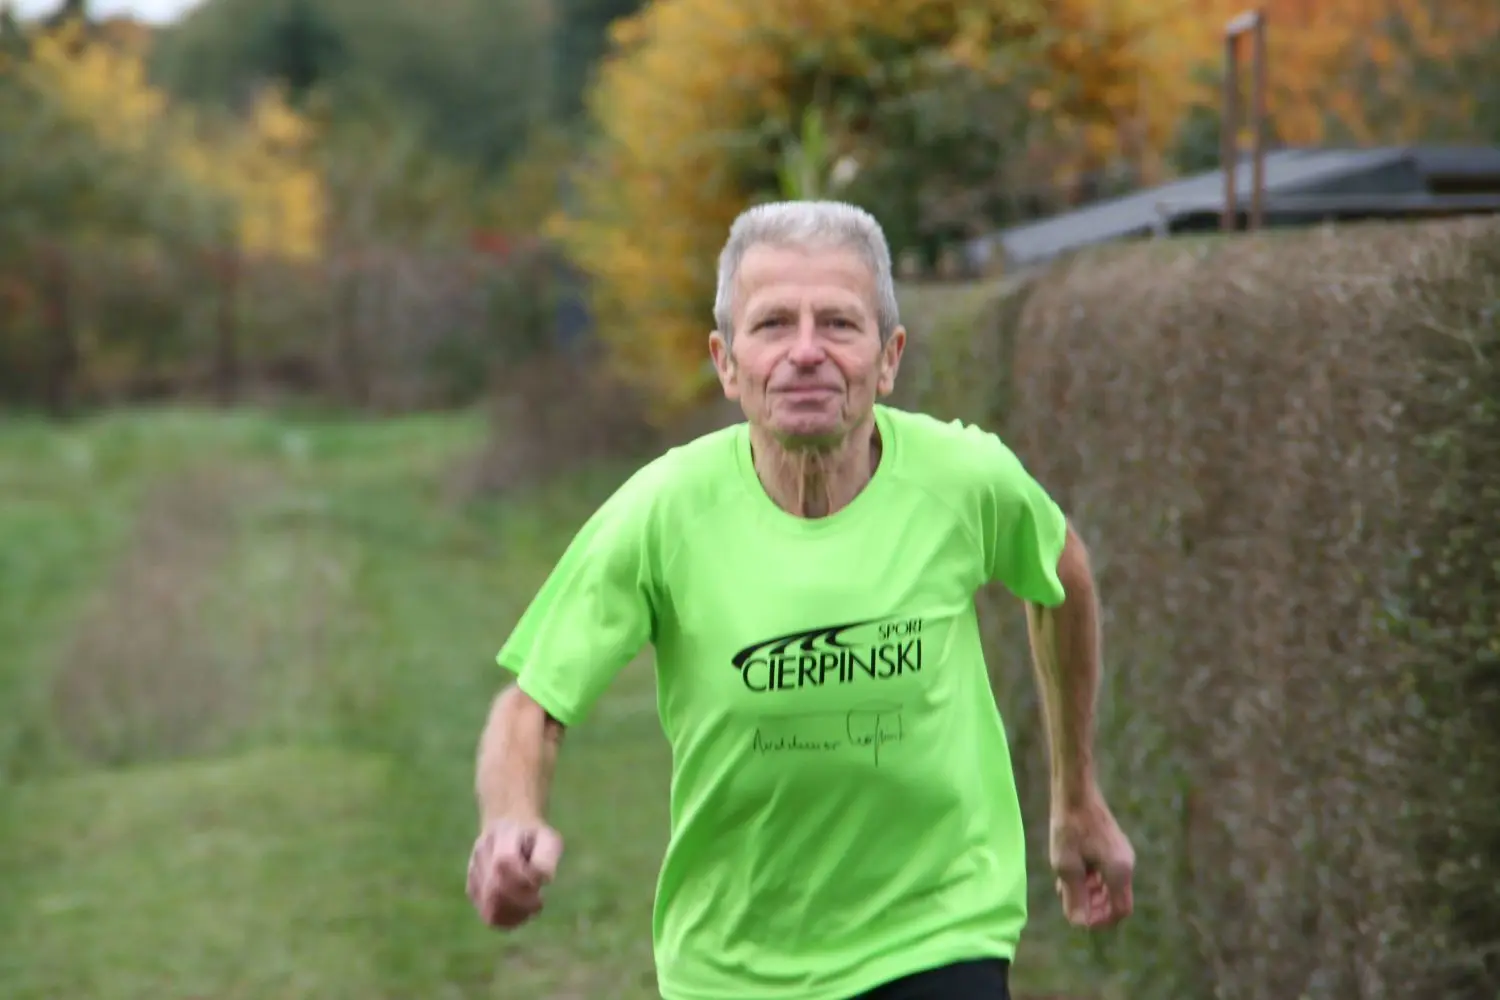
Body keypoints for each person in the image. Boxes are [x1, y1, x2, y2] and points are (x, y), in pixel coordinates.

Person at [466, 200, 1135, 1000]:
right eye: (774, 324)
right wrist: (509, 821)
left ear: (888, 359)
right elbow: (532, 706)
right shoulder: (664, 512)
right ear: (727, 363)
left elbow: (1063, 575)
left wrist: (1075, 795)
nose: (806, 352)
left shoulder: (966, 482)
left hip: (939, 932)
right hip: (734, 965)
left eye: (839, 324)